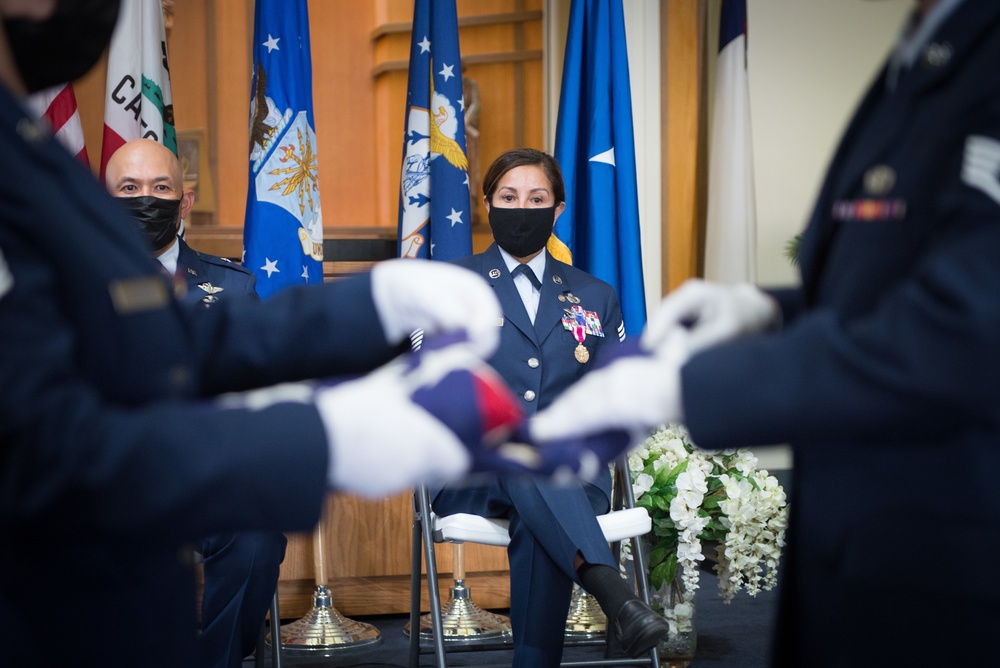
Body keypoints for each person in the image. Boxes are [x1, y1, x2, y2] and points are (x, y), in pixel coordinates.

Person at [0, 1, 513, 664]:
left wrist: (378, 303)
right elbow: (43, 449)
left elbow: (166, 339)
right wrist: (323, 438)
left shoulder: (25, 144)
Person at [534, 1, 1000, 665]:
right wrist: (774, 307)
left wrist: (686, 387)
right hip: (864, 553)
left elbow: (964, 332)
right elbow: (905, 273)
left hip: (952, 572)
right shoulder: (936, 35)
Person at [432, 148, 670, 667]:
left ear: (557, 209)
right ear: (487, 203)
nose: (523, 208)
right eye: (509, 197)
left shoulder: (594, 294)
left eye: (536, 198)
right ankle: (614, 593)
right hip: (475, 470)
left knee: (537, 507)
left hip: (571, 473)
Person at [104, 138, 286, 668]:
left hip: (205, 474)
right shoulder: (73, 285)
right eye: (129, 188)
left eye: (161, 187)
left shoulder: (231, 288)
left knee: (255, 541)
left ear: (183, 202)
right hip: (110, 477)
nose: (146, 199)